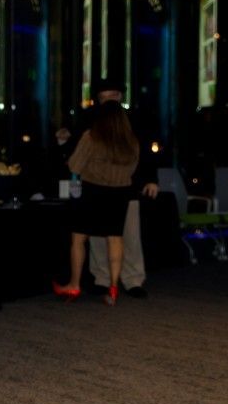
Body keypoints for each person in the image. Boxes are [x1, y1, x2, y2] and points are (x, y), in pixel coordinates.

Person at [57, 78, 160, 298]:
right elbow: (138, 157)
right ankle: (107, 282)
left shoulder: (127, 123)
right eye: (103, 97)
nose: (107, 101)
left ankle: (128, 280)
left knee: (119, 236)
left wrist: (150, 179)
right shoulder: (105, 125)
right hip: (122, 187)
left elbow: (77, 160)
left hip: (104, 188)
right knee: (110, 238)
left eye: (111, 96)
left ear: (120, 96)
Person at [54, 100, 139, 305]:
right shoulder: (131, 142)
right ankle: (113, 289)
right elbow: (133, 170)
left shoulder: (91, 137)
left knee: (78, 239)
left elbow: (74, 166)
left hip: (93, 192)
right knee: (115, 238)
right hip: (120, 194)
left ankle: (74, 285)